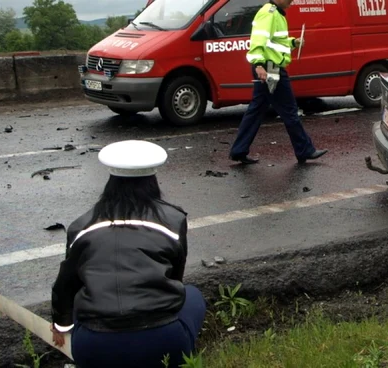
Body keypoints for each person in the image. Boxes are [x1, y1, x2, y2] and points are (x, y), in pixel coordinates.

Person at [49, 140, 206, 368]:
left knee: (81, 303)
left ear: (110, 181)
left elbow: (66, 284)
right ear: (153, 180)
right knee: (192, 295)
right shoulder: (173, 220)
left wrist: (62, 326)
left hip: (94, 346)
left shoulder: (81, 226)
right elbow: (175, 278)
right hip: (162, 342)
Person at [229, 0, 328, 165]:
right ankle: (305, 150)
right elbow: (257, 39)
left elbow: (274, 43)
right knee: (289, 110)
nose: (292, 1)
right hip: (270, 69)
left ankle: (239, 150)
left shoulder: (277, 14)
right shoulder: (269, 13)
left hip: (269, 67)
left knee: (256, 110)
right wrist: (258, 65)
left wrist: (292, 43)